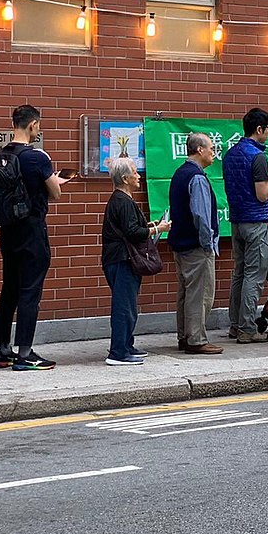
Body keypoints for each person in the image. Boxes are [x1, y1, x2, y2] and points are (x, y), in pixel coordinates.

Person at [0, 104, 71, 371]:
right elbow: (55, 194)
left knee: (9, 289)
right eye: (39, 125)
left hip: (8, 231)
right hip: (32, 231)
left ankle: (3, 351)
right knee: (30, 292)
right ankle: (26, 354)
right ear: (33, 125)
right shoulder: (37, 158)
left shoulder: (1, 154)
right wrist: (55, 182)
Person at [223, 108, 268, 343]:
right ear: (259, 129)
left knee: (239, 273)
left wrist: (266, 174)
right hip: (256, 221)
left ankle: (235, 324)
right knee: (254, 275)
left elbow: (244, 181)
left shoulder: (230, 154)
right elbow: (263, 194)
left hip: (237, 221)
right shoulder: (258, 156)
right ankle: (248, 328)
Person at [101, 158, 171, 365]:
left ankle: (126, 345)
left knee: (128, 305)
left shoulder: (122, 200)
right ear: (125, 178)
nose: (138, 175)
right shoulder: (122, 201)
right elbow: (133, 232)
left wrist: (149, 224)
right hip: (122, 260)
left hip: (120, 259)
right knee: (124, 307)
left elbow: (129, 227)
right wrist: (158, 229)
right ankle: (118, 352)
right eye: (135, 172)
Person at [167, 133, 223, 354]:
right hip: (196, 246)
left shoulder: (180, 173)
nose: (213, 152)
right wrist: (207, 244)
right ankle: (196, 339)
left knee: (186, 293)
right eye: (211, 148)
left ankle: (185, 336)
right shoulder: (197, 177)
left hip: (180, 244)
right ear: (199, 150)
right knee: (200, 295)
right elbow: (201, 216)